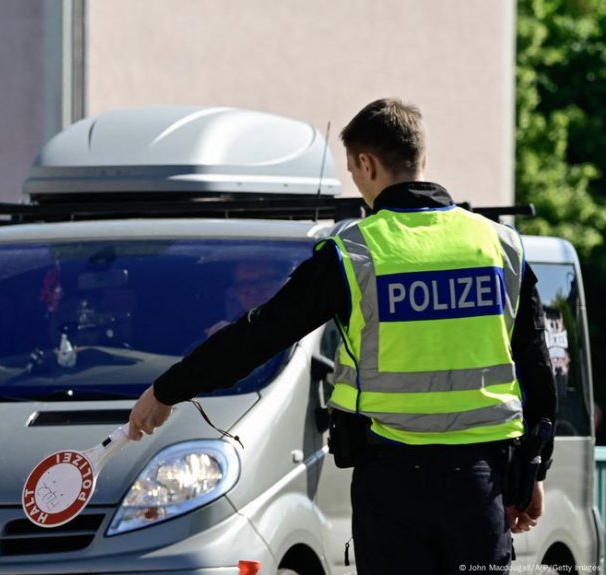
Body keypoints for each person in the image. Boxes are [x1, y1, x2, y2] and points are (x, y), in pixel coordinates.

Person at [127, 98, 557, 574]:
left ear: (367, 164)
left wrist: (167, 390)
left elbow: (260, 334)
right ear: (422, 160)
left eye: (354, 173)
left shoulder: (354, 252)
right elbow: (538, 370)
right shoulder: (499, 245)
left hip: (393, 487)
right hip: (482, 482)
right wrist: (531, 470)